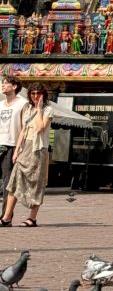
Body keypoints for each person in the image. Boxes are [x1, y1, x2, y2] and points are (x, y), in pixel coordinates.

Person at [1, 83, 53, 227]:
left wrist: (39, 109)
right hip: (25, 148)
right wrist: (17, 150)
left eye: (38, 93)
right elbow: (23, 130)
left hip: (38, 149)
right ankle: (6, 218)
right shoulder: (27, 108)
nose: (35, 96)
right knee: (14, 182)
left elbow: (40, 128)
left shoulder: (48, 110)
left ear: (43, 95)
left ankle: (32, 218)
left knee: (36, 183)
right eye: (33, 93)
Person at [0, 75, 25, 213]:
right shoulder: (0, 104)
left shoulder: (22, 104)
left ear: (14, 87)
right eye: (2, 83)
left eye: (6, 83)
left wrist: (19, 148)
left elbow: (24, 128)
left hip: (11, 145)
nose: (3, 86)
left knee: (8, 182)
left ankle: (5, 216)